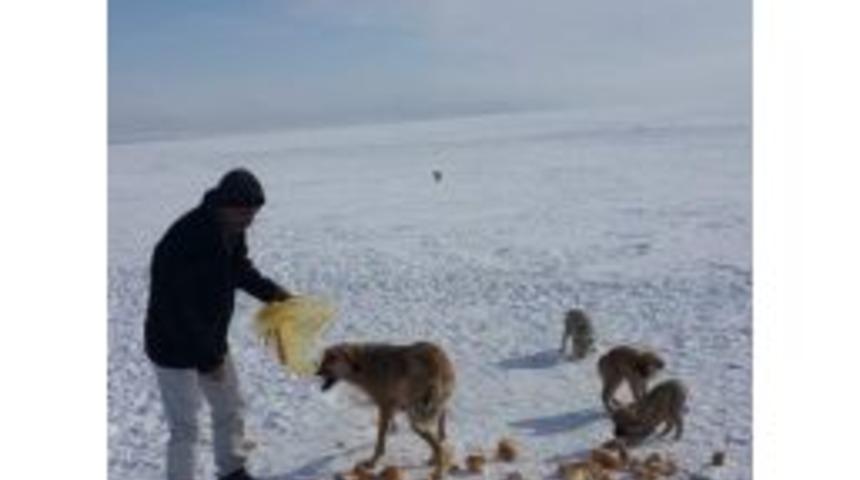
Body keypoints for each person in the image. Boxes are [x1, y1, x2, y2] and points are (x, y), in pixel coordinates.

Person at [145, 168, 291, 480]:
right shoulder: (185, 239)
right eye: (243, 212)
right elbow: (179, 311)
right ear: (224, 203)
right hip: (172, 345)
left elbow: (238, 268)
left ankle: (232, 470)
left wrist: (274, 294)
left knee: (230, 406)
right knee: (185, 426)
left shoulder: (231, 228)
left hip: (210, 338)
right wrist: (208, 359)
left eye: (253, 214)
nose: (248, 220)